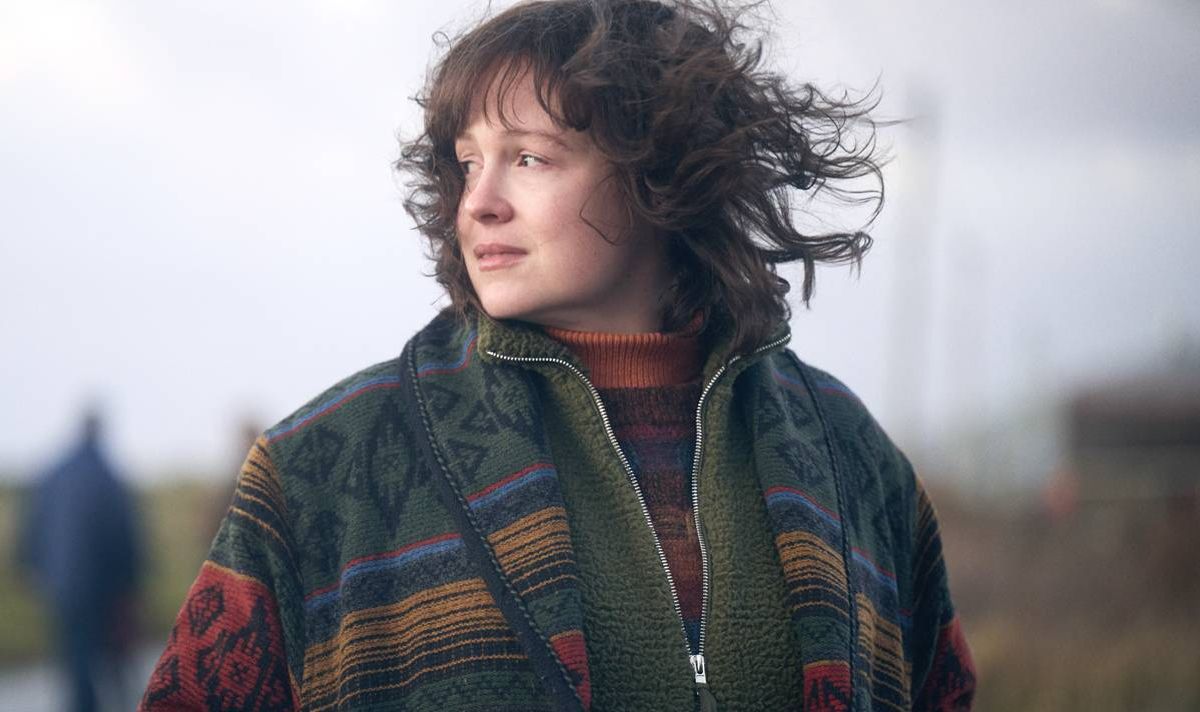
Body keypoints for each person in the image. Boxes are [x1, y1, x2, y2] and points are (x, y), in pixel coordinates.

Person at [140, 1, 975, 709]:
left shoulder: (854, 459)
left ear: (658, 170)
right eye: (468, 163)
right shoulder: (322, 470)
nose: (480, 203)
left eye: (529, 158)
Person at [20, 408, 143, 712]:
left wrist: (32, 569)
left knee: (75, 660)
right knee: (113, 661)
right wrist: (131, 582)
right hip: (101, 586)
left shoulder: (53, 473)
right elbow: (123, 532)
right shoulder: (107, 475)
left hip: (61, 583)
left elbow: (33, 526)